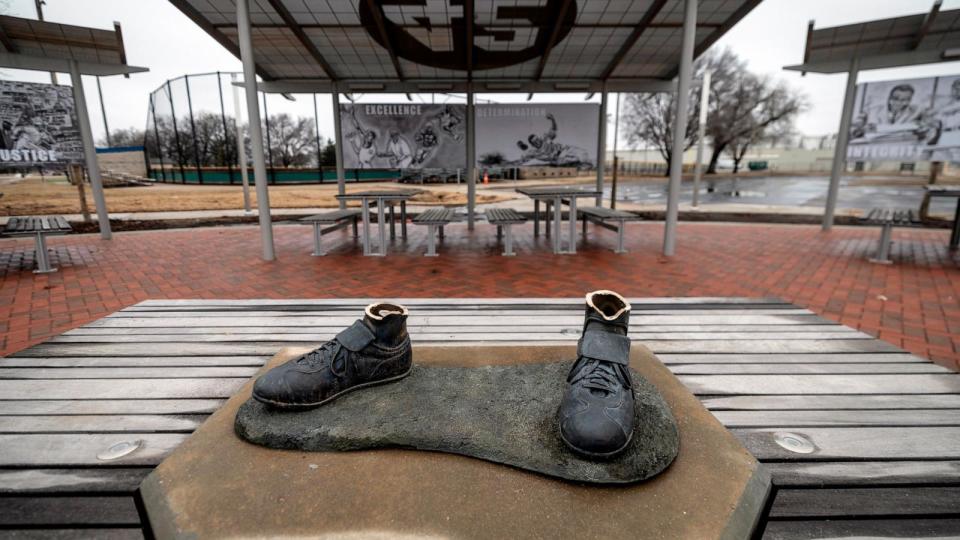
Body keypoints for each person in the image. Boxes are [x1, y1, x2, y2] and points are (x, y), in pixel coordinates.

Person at [851, 84, 934, 142]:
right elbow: (854, 128)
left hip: (902, 146)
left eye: (906, 100)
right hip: (873, 146)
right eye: (896, 99)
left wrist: (923, 129)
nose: (901, 103)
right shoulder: (871, 110)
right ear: (890, 98)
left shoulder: (918, 110)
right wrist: (860, 130)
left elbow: (930, 126)